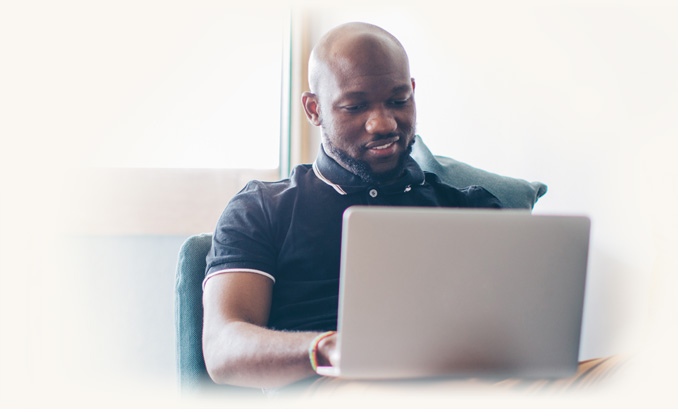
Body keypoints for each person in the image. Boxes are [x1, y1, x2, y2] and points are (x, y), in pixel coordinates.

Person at [202, 21, 509, 390]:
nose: (383, 123)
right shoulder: (261, 209)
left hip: (471, 384)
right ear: (314, 109)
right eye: (355, 106)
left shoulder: (469, 208)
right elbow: (222, 350)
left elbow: (518, 329)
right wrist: (328, 349)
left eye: (398, 101)